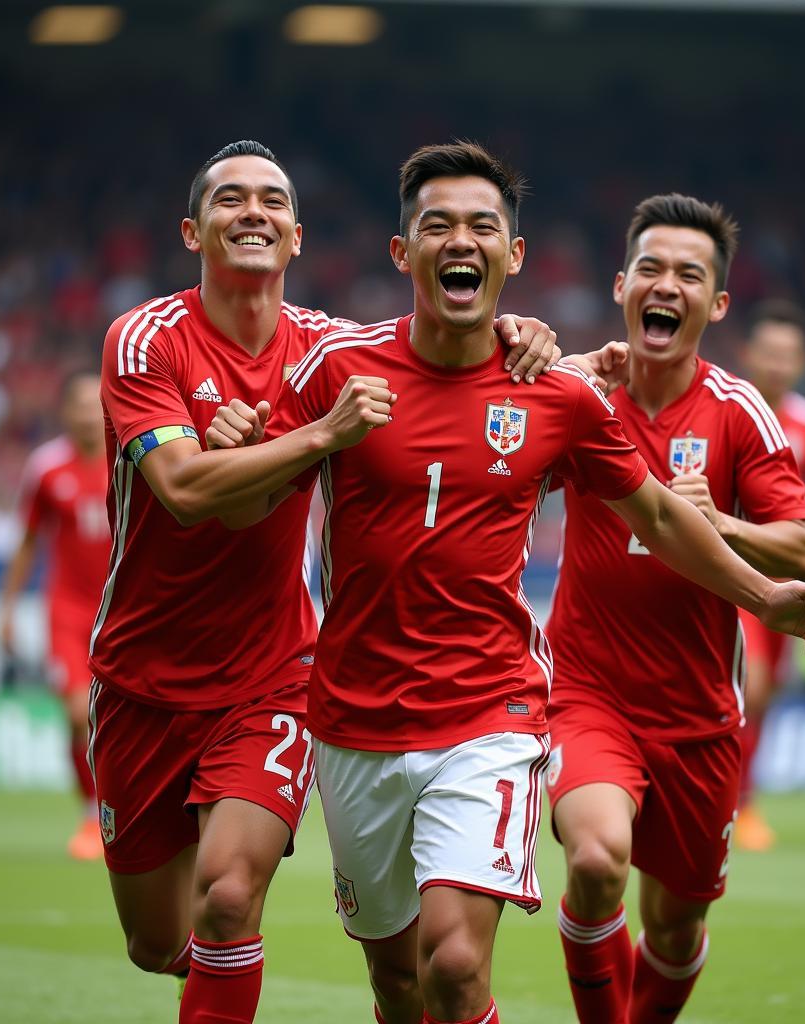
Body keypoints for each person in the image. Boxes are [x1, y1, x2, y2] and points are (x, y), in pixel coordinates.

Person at [211, 146, 805, 1024]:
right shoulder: (338, 372)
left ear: (512, 258)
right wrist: (233, 436)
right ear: (403, 254)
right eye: (436, 225)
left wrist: (761, 595)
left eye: (483, 226)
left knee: (454, 962)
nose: (460, 241)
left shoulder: (557, 395)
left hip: (489, 713)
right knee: (398, 982)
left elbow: (663, 520)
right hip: (352, 720)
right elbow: (246, 503)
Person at [89, 138, 559, 1024]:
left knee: (229, 896)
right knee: (157, 944)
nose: (253, 212)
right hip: (139, 680)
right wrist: (316, 437)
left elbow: (438, 342)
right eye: (231, 200)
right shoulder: (145, 338)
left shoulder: (332, 350)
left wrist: (517, 331)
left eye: (272, 200)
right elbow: (187, 493)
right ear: (194, 230)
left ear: (297, 238)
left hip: (275, 674)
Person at [543, 194, 805, 1024]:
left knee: (673, 930)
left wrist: (719, 521)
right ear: (620, 287)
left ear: (714, 305)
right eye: (650, 268)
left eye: (688, 274)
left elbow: (799, 548)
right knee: (597, 861)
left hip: (699, 712)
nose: (664, 285)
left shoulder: (739, 411)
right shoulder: (582, 398)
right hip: (585, 693)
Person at [733, 300, 805, 850]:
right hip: (728, 570)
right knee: (746, 682)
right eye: (767, 353)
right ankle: (725, 799)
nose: (776, 364)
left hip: (785, 577)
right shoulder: (727, 408)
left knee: (764, 693)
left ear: (800, 362)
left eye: (787, 355)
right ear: (749, 354)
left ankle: (744, 803)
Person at [0, 370, 110, 860]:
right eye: (80, 405)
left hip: (124, 608)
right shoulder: (46, 468)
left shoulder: (132, 453)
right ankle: (93, 815)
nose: (89, 413)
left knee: (115, 718)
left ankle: (122, 812)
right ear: (65, 412)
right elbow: (26, 542)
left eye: (96, 404)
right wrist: (6, 608)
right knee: (76, 714)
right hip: (66, 608)